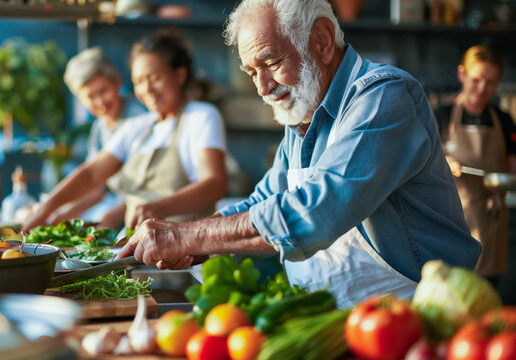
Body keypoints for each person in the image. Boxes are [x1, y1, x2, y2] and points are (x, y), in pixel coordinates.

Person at [117, 0, 481, 308]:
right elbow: (261, 201)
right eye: (251, 71)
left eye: (271, 62)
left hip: (421, 317)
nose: (262, 87)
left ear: (322, 41)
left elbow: (318, 212)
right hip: (343, 322)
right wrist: (197, 244)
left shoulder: (385, 97)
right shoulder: (304, 118)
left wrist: (189, 236)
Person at [22, 30, 227, 233]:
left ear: (179, 75)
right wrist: (45, 209)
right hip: (139, 251)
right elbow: (92, 173)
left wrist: (159, 208)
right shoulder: (138, 126)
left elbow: (215, 184)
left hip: (188, 252)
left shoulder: (202, 116)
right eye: (138, 82)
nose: (146, 89)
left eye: (155, 78)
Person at [434, 45, 516, 284]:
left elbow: (513, 167)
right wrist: (443, 163)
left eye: (491, 82)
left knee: (487, 291)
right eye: (476, 79)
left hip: (491, 219)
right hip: (453, 217)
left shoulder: (504, 120)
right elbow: (421, 163)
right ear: (462, 74)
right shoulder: (440, 116)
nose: (482, 88)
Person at [47, 47, 147, 228]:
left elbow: (146, 188)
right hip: (112, 207)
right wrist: (64, 212)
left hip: (140, 210)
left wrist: (111, 217)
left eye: (104, 91)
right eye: (91, 96)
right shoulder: (100, 127)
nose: (100, 102)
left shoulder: (139, 117)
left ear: (117, 82)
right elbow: (96, 187)